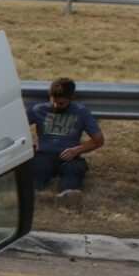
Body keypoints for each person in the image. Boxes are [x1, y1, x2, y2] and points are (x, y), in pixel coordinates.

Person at [27, 78, 105, 206]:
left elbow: (98, 140)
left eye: (61, 103)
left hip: (71, 156)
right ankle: (33, 196)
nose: (57, 106)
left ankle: (66, 196)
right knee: (37, 171)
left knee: (74, 171)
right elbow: (17, 127)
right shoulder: (38, 110)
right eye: (54, 101)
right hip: (45, 155)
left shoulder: (81, 112)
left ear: (71, 98)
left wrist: (77, 150)